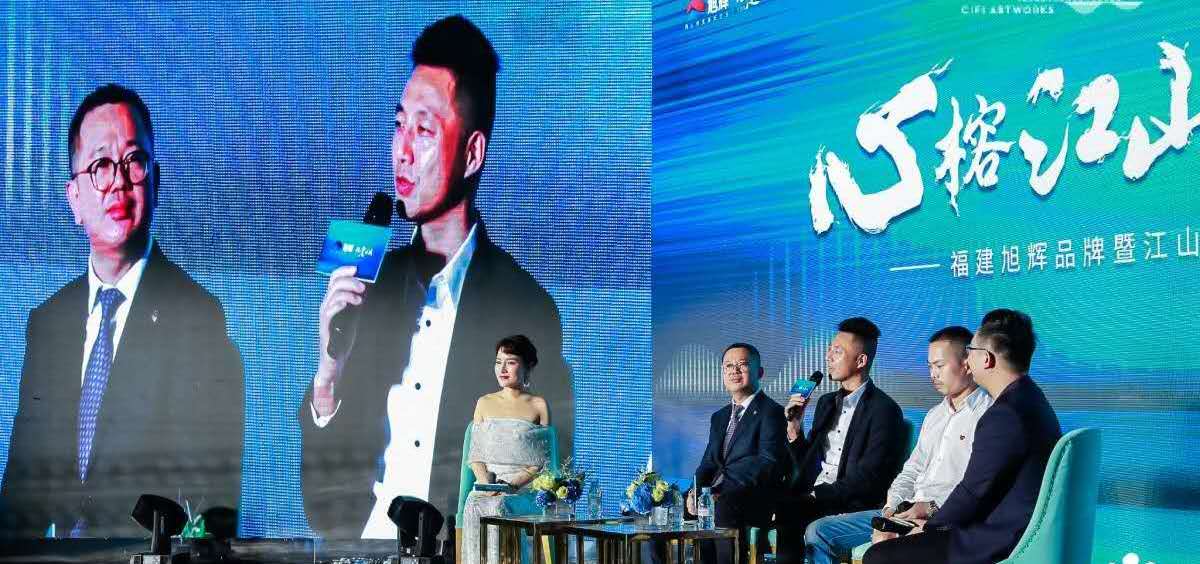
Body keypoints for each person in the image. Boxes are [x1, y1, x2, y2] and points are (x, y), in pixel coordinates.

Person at [300, 15, 572, 539]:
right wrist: (329, 373)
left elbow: (545, 479)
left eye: (424, 130)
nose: (402, 150)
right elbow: (319, 498)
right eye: (399, 124)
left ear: (472, 153)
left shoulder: (524, 306)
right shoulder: (371, 287)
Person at [1, 84, 244, 538]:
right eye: (100, 166)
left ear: (155, 182)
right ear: (75, 199)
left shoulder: (197, 319)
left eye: (133, 161)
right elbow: (20, 495)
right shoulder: (48, 323)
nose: (118, 182)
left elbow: (208, 511)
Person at [864, 309, 1062, 564]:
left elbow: (973, 493)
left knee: (878, 556)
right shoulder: (1031, 398)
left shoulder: (1004, 414)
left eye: (971, 351)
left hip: (992, 540)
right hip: (1004, 529)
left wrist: (929, 527)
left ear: (986, 359)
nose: (967, 359)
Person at [803, 326, 991, 564]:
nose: (933, 374)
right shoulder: (935, 415)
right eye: (929, 366)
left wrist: (932, 508)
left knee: (885, 545)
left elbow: (978, 485)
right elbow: (912, 469)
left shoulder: (988, 414)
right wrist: (892, 506)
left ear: (967, 363)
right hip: (906, 510)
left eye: (939, 366)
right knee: (819, 531)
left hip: (947, 515)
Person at [774, 317, 905, 564]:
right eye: (829, 350)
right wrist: (794, 428)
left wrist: (817, 495)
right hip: (814, 496)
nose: (828, 357)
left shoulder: (884, 410)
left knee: (789, 511)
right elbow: (809, 464)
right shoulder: (826, 403)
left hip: (849, 501)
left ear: (861, 361)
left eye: (837, 351)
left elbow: (869, 477)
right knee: (771, 503)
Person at [687, 343, 788, 564]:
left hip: (751, 497)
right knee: (667, 506)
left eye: (742, 364)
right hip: (716, 494)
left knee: (720, 506)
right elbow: (709, 463)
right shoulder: (719, 417)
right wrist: (695, 491)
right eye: (728, 366)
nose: (734, 370)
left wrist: (719, 490)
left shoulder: (773, 413)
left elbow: (767, 462)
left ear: (759, 372)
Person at [460, 335, 553, 564]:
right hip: (487, 486)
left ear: (527, 366)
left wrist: (511, 485)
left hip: (522, 489)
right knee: (475, 503)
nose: (502, 369)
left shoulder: (539, 405)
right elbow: (475, 456)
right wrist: (487, 484)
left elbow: (540, 463)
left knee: (500, 505)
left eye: (510, 362)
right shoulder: (484, 403)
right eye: (498, 362)